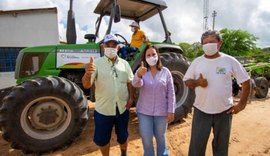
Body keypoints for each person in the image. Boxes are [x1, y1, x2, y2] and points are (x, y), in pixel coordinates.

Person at [183, 30, 251, 156]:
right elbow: (187, 81)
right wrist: (198, 82)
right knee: (196, 148)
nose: (208, 44)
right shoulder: (197, 62)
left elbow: (246, 82)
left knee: (221, 147)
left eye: (212, 42)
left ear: (220, 43)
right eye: (205, 42)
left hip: (224, 112)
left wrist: (241, 105)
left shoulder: (229, 61)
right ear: (202, 44)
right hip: (201, 111)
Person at [82, 34, 134, 156]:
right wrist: (87, 74)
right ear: (103, 46)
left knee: (123, 136)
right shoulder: (96, 64)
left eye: (114, 45)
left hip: (122, 109)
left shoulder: (125, 64)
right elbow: (87, 85)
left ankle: (124, 154)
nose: (111, 47)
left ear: (118, 47)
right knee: (103, 139)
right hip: (103, 110)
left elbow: (130, 82)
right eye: (108, 45)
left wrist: (131, 98)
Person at [132, 45, 176, 156]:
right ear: (145, 58)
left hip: (161, 112)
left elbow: (171, 92)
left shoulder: (166, 72)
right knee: (146, 138)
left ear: (158, 56)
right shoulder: (142, 71)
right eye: (148, 55)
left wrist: (171, 110)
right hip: (144, 112)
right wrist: (138, 75)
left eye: (153, 54)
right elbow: (136, 84)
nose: (151, 57)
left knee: (161, 138)